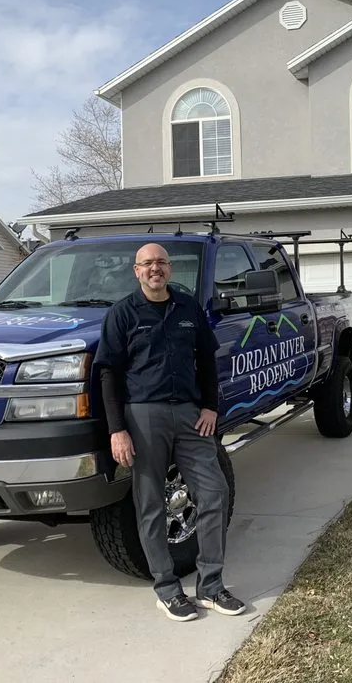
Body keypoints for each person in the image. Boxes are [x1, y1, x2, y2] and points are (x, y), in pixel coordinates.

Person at [93, 242, 245, 622]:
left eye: (160, 262)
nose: (154, 269)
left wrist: (211, 406)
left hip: (192, 416)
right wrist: (117, 431)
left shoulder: (187, 307)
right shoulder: (122, 314)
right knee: (150, 504)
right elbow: (108, 374)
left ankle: (211, 585)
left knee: (214, 492)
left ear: (170, 269)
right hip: (144, 417)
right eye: (147, 264)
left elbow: (206, 361)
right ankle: (166, 588)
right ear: (136, 271)